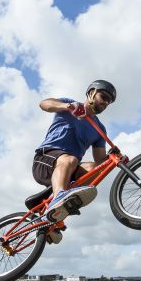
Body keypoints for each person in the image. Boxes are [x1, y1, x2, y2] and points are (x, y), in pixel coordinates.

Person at [32, 80, 116, 242]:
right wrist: (67, 107)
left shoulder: (99, 129)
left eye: (108, 102)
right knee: (70, 159)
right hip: (45, 159)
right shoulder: (69, 104)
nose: (105, 103)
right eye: (103, 96)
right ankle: (58, 197)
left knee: (97, 168)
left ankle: (52, 220)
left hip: (68, 167)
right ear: (91, 92)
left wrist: (112, 158)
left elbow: (100, 160)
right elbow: (44, 104)